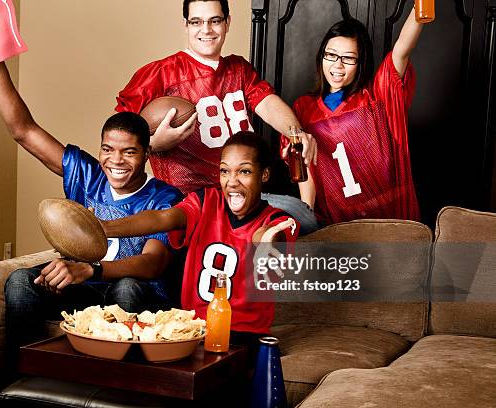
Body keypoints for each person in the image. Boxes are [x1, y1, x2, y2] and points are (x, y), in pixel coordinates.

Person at [0, 63, 183, 350]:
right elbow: (23, 130)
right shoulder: (87, 175)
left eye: (129, 152)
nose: (116, 161)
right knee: (20, 281)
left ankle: (113, 388)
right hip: (84, 288)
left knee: (127, 288)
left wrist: (93, 270)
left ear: (147, 154)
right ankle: (27, 379)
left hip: (136, 294)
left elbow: (152, 264)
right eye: (107, 149)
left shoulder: (164, 197)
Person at [115, 0, 320, 235]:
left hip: (244, 192)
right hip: (191, 199)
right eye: (197, 22)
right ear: (186, 25)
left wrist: (296, 132)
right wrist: (153, 145)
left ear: (227, 22)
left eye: (214, 21)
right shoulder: (160, 73)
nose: (206, 30)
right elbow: (120, 135)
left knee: (303, 218)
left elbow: (268, 103)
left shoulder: (239, 68)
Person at [100, 132, 298, 353]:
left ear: (264, 175)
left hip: (245, 336)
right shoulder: (206, 202)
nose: (232, 182)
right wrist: (104, 228)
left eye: (244, 171)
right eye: (225, 171)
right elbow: (162, 218)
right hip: (192, 329)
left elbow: (267, 235)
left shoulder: (280, 221)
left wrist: (266, 243)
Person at [281, 8, 429, 225]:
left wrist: (421, 6)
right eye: (331, 55)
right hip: (338, 227)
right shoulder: (304, 108)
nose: (337, 65)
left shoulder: (377, 97)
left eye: (348, 58)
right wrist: (306, 219)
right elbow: (305, 169)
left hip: (390, 219)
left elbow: (402, 51)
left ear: (361, 63)